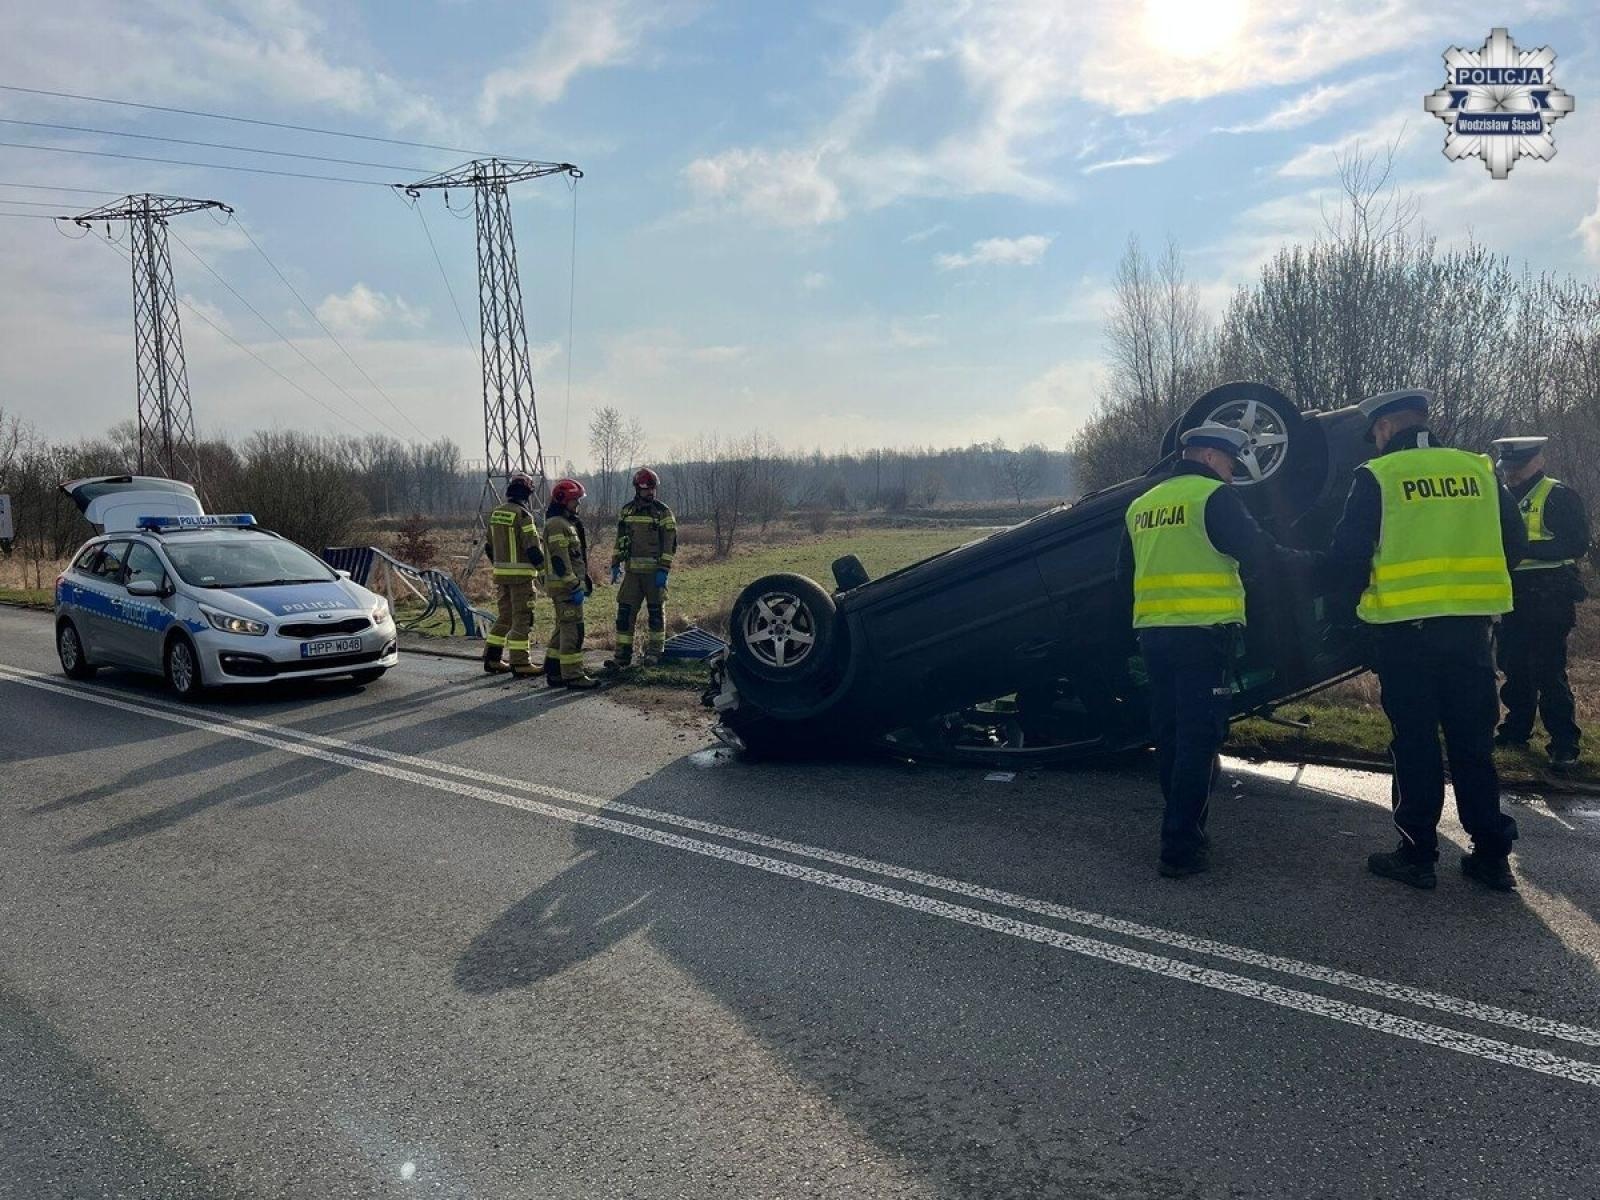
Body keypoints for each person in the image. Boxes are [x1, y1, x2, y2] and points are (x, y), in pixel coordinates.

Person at [1320, 389, 1526, 891]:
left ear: (1385, 428)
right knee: (1473, 745)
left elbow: (1347, 557)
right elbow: (1514, 544)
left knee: (1415, 744)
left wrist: (1342, 618)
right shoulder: (1478, 470)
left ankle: (1417, 856)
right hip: (1472, 635)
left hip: (1406, 638)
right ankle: (1492, 857)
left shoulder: (1378, 477)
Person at [1119, 422, 1311, 878]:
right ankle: (1180, 845)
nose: (1231, 474)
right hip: (1202, 638)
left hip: (1154, 636)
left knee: (1169, 734)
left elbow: (1123, 575)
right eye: (1229, 463)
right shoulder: (1213, 498)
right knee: (1198, 738)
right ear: (1208, 457)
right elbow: (1259, 554)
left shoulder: (1142, 505)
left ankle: (1181, 829)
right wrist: (1315, 566)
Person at [1491, 436, 1590, 770]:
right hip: (1513, 594)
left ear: (1538, 461)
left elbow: (1576, 543)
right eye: (1508, 468)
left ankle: (1564, 743)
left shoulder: (1558, 495)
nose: (1511, 474)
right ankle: (1516, 731)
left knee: (1548, 672)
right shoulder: (1502, 496)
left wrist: (1523, 548)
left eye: (1518, 467)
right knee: (1514, 667)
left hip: (1550, 597)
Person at [606, 467, 678, 671]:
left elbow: (670, 543)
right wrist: (615, 562)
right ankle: (621, 657)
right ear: (638, 489)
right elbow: (620, 540)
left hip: (655, 574)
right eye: (647, 489)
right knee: (624, 614)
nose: (651, 493)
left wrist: (664, 569)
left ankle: (655, 653)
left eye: (653, 489)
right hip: (632, 574)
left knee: (655, 614)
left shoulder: (662, 512)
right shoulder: (627, 511)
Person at [482, 472, 545, 678]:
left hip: (501, 577)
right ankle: (520, 663)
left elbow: (489, 547)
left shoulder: (496, 513)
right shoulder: (524, 515)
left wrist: (501, 567)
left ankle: (492, 659)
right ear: (527, 493)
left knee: (505, 618)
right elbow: (533, 548)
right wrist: (543, 571)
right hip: (522, 579)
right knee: (522, 619)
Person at [542, 478, 600, 689]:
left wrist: (584, 580)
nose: (578, 504)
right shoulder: (558, 524)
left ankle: (555, 671)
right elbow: (560, 560)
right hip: (565, 588)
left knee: (562, 629)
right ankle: (573, 675)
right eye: (575, 500)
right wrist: (574, 585)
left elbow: (574, 557)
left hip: (567, 586)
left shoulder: (565, 523)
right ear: (563, 500)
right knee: (573, 632)